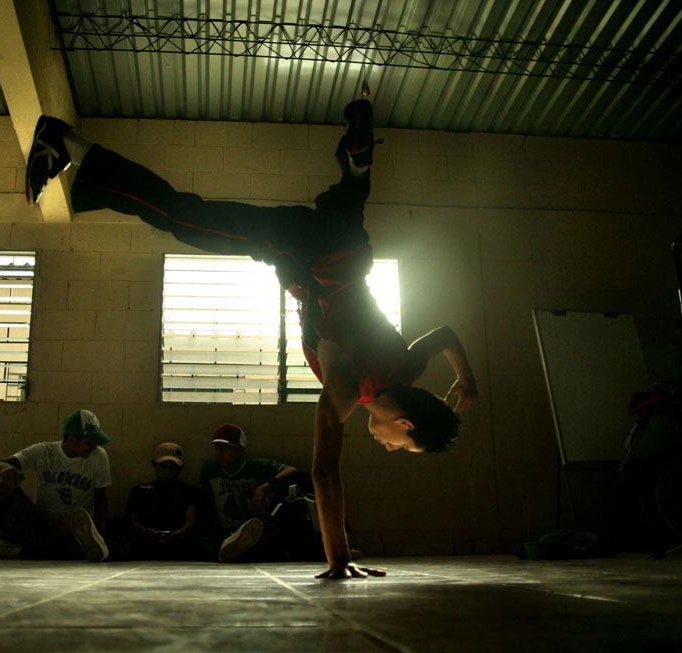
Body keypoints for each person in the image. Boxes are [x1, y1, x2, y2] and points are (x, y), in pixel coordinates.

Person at [25, 100, 478, 579]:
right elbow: (324, 473)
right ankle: (67, 143)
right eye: (403, 447)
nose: (389, 449)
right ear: (405, 424)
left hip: (348, 241)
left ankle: (358, 163)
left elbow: (445, 334)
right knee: (183, 216)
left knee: (349, 197)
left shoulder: (408, 368)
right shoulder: (348, 388)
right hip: (303, 248)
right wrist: (340, 559)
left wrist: (466, 379)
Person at [0, 409, 111, 563]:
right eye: (89, 443)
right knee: (8, 487)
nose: (93, 447)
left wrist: (101, 536)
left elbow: (101, 501)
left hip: (71, 527)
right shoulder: (45, 451)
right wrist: (5, 468)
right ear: (72, 439)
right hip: (39, 521)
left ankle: (17, 551)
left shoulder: (98, 457)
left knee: (71, 534)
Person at [200, 424, 314, 563]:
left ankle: (238, 548)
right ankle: (232, 547)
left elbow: (292, 471)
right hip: (225, 530)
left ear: (240, 451)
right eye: (217, 447)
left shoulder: (255, 466)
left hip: (257, 527)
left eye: (226, 448)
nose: (220, 452)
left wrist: (264, 488)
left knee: (275, 532)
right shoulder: (210, 469)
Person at [109, 442, 214, 561]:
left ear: (179, 468)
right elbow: (132, 518)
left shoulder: (190, 491)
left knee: (204, 544)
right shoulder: (141, 491)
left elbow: (191, 519)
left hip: (179, 542)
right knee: (122, 541)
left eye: (173, 467)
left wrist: (181, 532)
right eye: (164, 466)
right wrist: (143, 531)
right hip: (146, 542)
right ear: (155, 465)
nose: (168, 471)